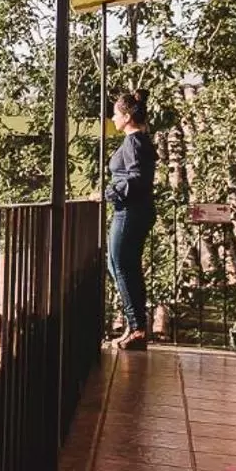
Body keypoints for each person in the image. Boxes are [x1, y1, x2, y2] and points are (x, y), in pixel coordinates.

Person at [105, 90, 158, 351]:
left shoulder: (134, 143)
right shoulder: (137, 141)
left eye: (115, 113)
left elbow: (137, 179)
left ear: (126, 117)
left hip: (129, 212)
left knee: (121, 266)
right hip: (133, 211)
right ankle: (135, 324)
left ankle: (137, 328)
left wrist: (107, 193)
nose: (112, 118)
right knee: (121, 267)